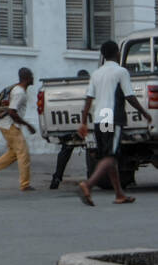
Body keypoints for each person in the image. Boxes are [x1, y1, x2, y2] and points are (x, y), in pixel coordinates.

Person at [78, 40, 152, 206]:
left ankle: (119, 193)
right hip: (112, 116)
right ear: (117, 53)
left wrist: (83, 122)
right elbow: (130, 96)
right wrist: (144, 112)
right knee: (111, 156)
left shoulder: (96, 73)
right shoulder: (121, 72)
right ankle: (88, 184)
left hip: (101, 117)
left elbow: (88, 100)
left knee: (109, 156)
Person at [0, 67, 37, 191]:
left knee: (13, 154)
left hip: (6, 125)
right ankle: (25, 184)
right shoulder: (19, 92)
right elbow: (12, 112)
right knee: (23, 153)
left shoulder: (18, 89)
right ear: (27, 78)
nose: (33, 78)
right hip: (10, 125)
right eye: (32, 76)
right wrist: (27, 125)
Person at [50, 70, 92, 189]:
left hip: (72, 127)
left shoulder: (71, 92)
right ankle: (92, 177)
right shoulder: (91, 89)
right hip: (89, 127)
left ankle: (57, 177)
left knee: (66, 150)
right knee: (92, 150)